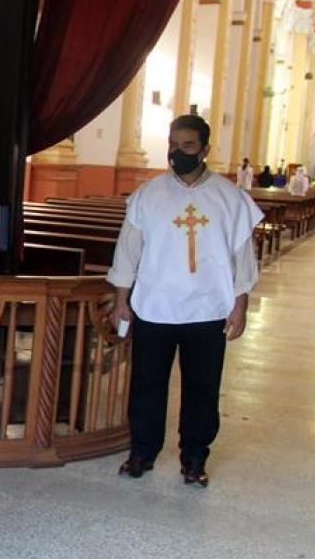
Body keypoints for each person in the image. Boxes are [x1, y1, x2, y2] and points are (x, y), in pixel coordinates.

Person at [108, 114, 263, 488]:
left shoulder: (231, 199)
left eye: (187, 146)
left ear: (205, 149)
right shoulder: (148, 195)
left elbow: (243, 257)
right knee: (147, 384)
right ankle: (142, 452)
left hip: (208, 309)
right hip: (155, 306)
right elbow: (127, 252)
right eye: (173, 145)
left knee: (202, 387)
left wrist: (240, 305)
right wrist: (120, 300)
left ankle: (194, 457)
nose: (178, 153)